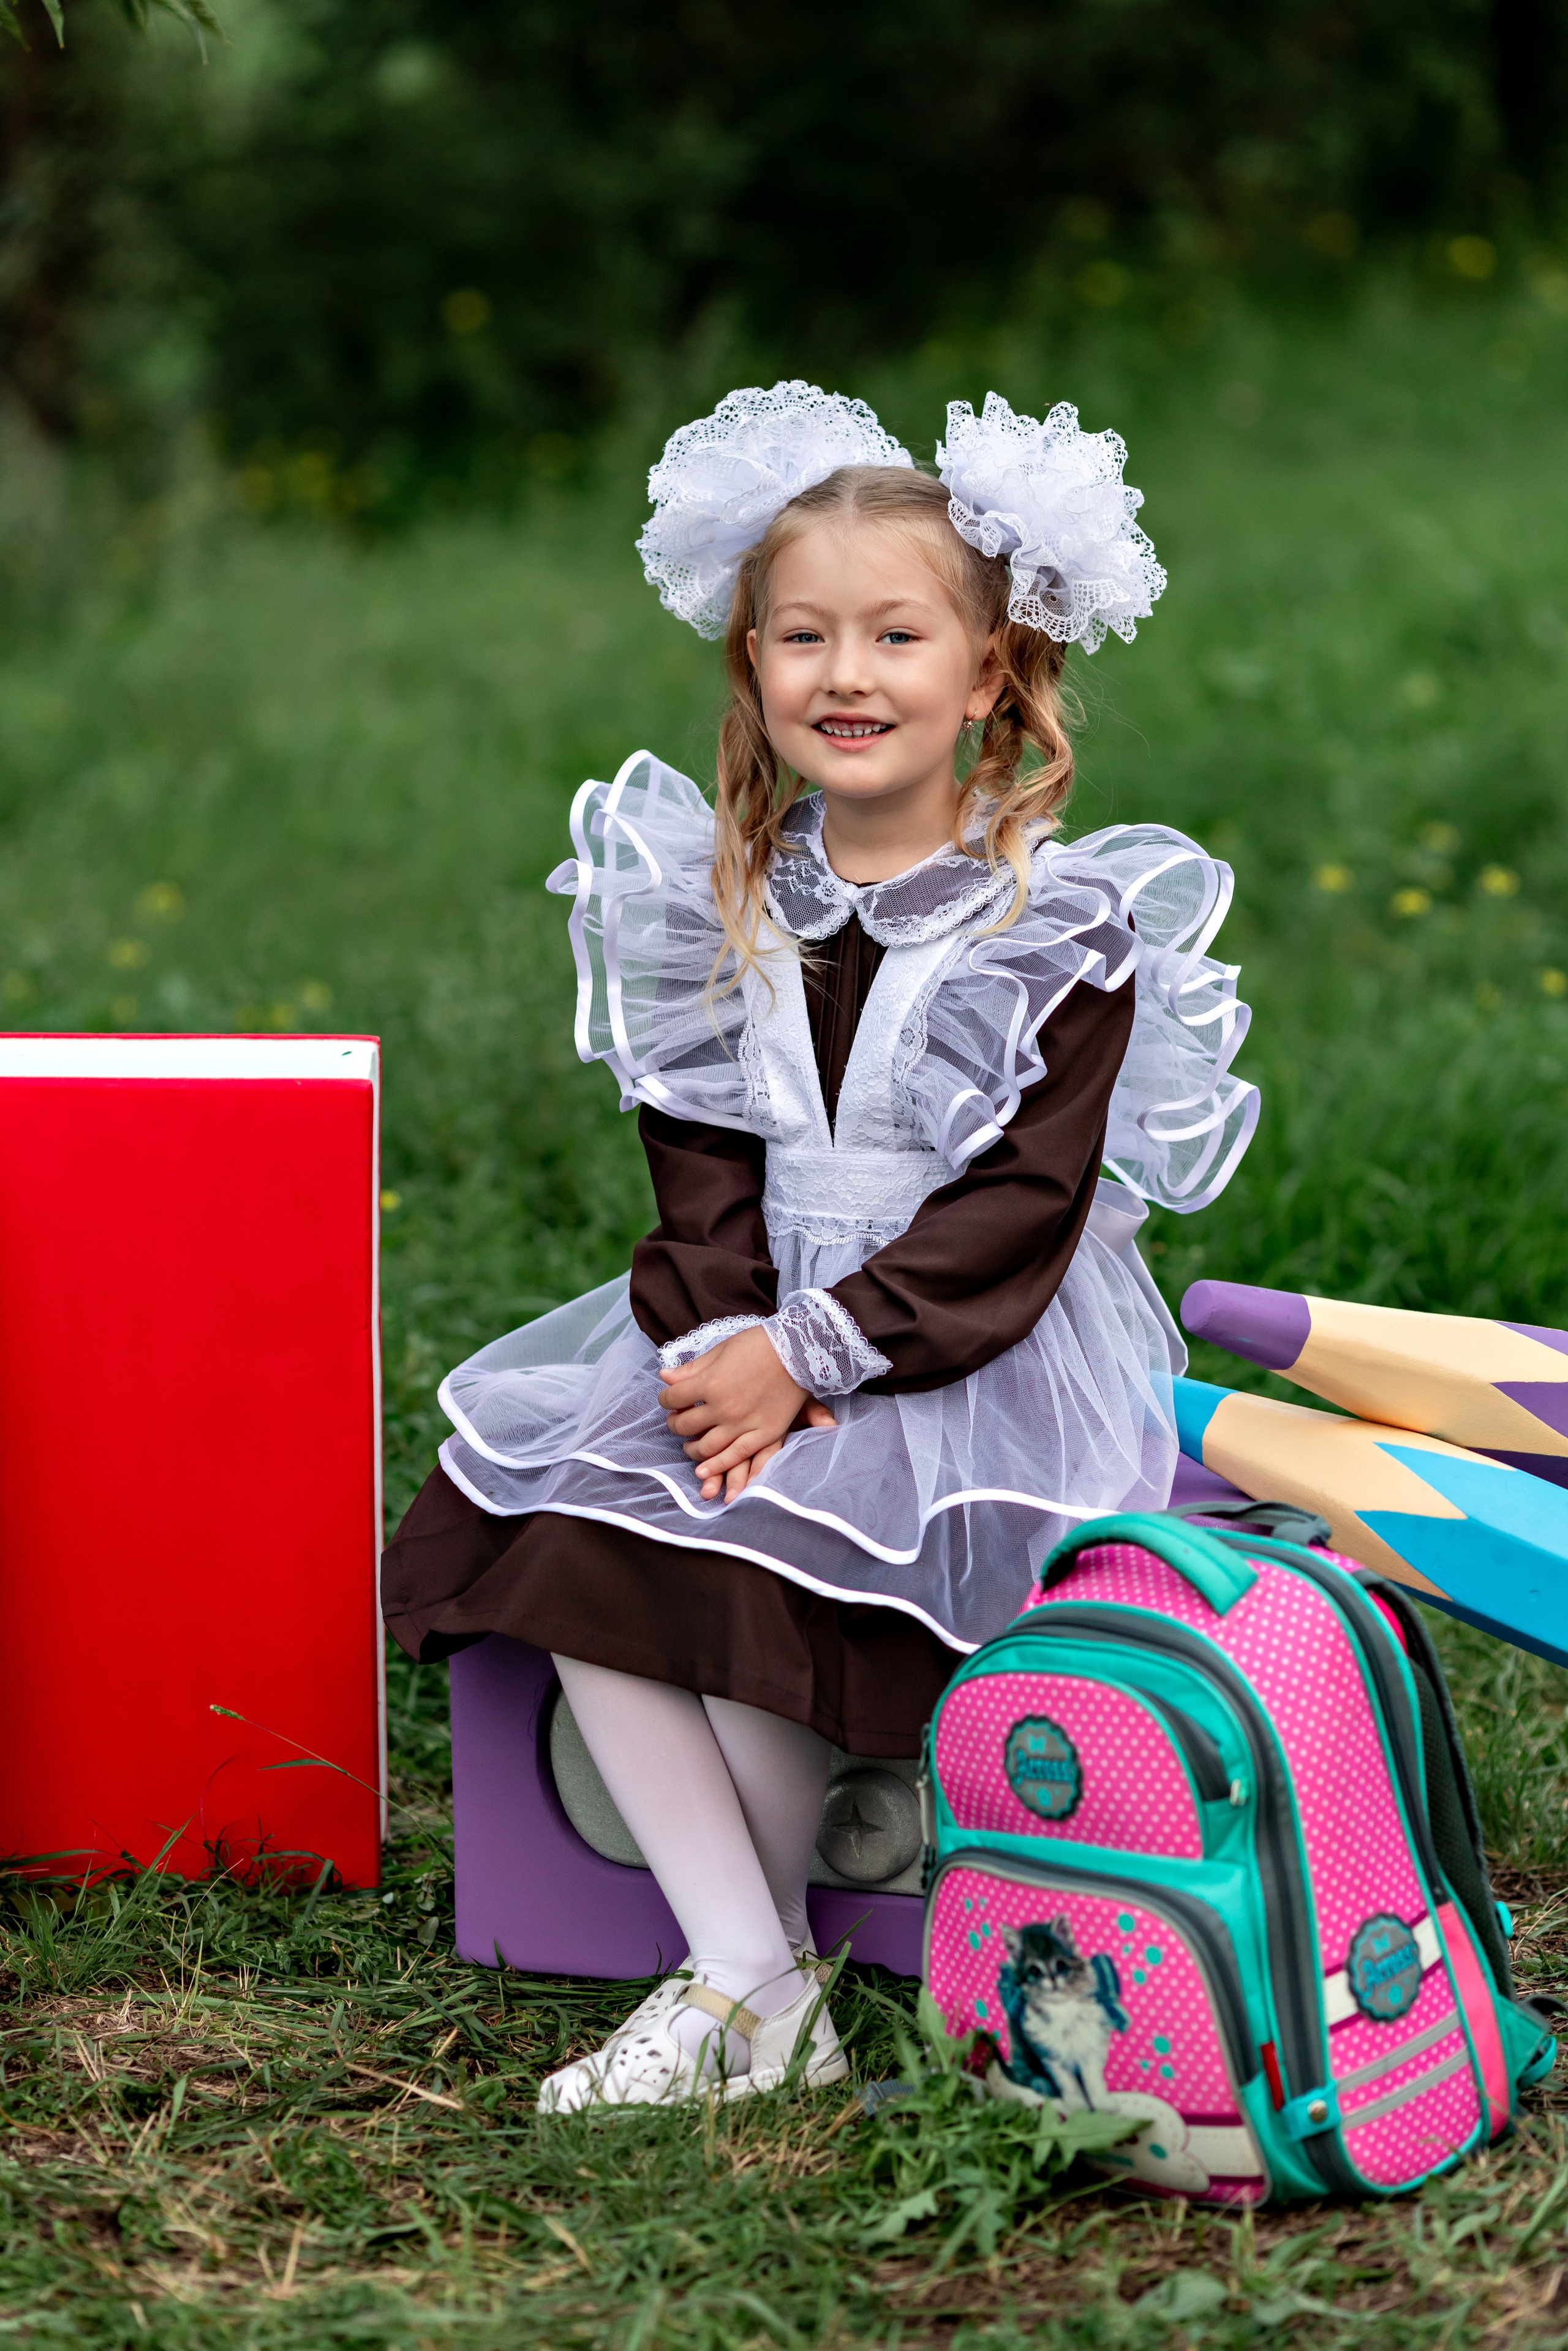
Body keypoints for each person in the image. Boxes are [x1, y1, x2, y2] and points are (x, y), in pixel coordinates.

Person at [382, 383, 1259, 2110]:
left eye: (895, 634)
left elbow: (1023, 1209)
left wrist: (815, 1356)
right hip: (754, 1318)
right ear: (753, 664)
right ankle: (759, 1979)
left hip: (964, 1353)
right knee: (584, 1541)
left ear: (990, 672)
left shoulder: (1056, 930)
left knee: (780, 1568)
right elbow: (703, 1161)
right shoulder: (723, 891)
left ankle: (745, 1986)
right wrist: (722, 1345)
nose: (845, 674)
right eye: (803, 635)